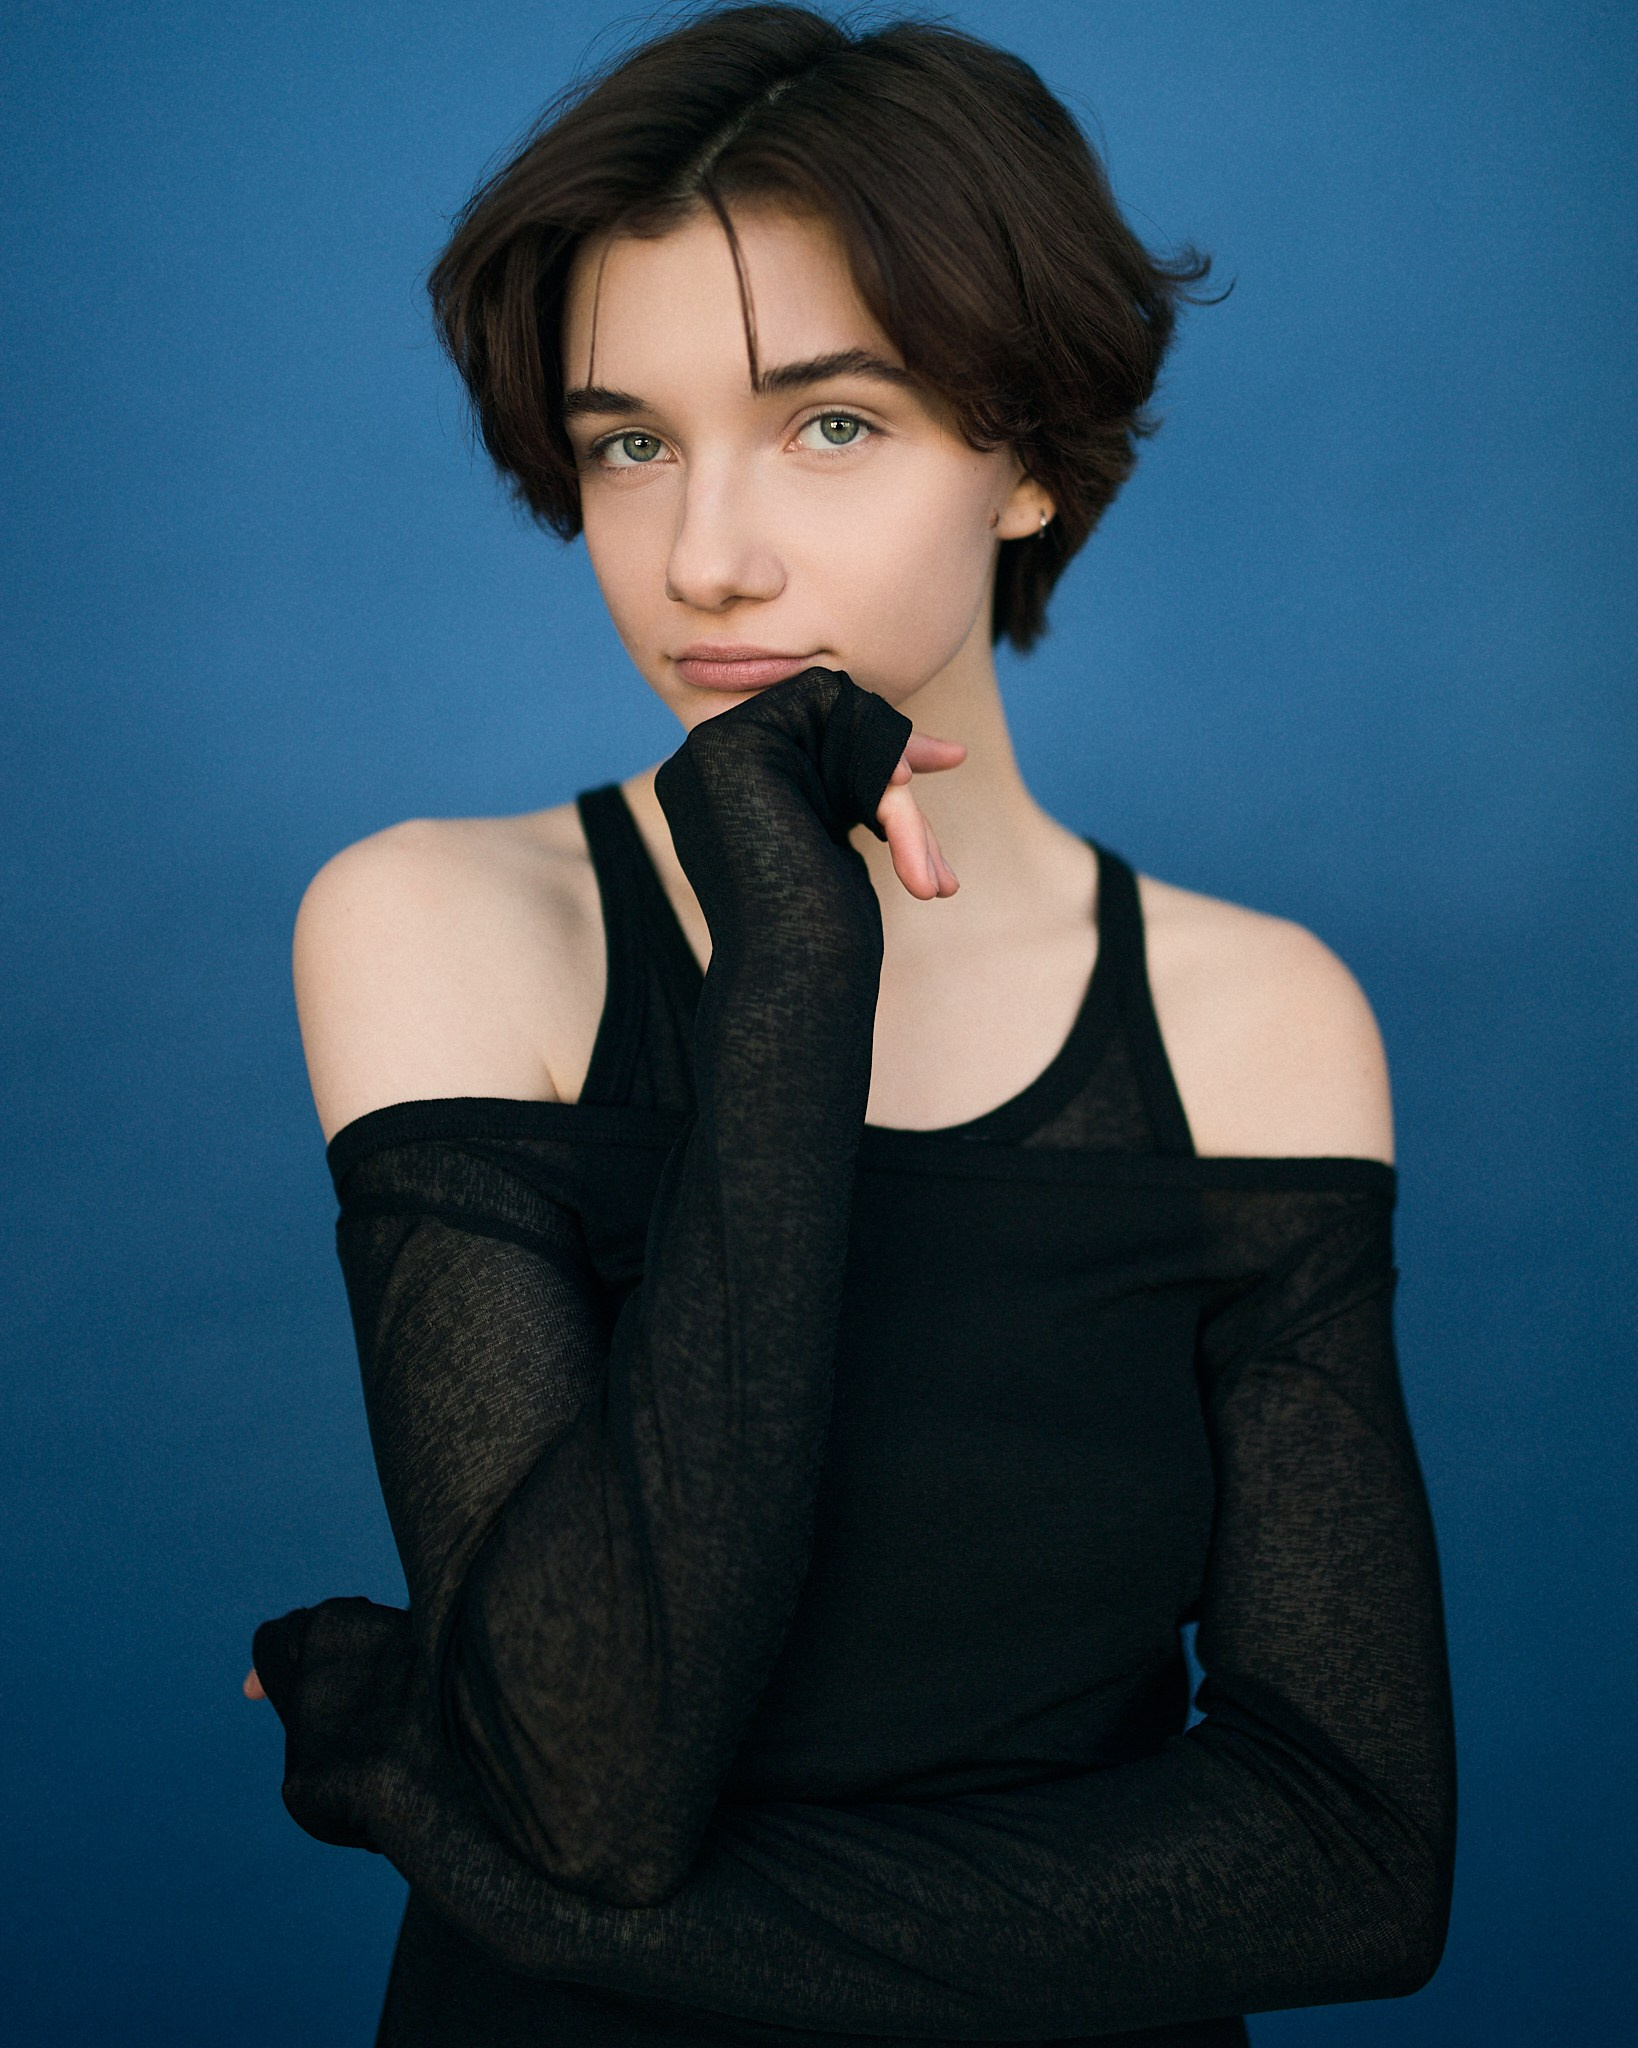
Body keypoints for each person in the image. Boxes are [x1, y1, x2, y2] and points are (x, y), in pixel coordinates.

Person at [245, 7, 1457, 2044]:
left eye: (831, 424)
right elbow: (596, 1778)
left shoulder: (1251, 1018)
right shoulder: (443, 927)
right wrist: (797, 968)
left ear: (1031, 460)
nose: (704, 559)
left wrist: (424, 1794)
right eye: (630, 442)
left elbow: (1347, 1867)